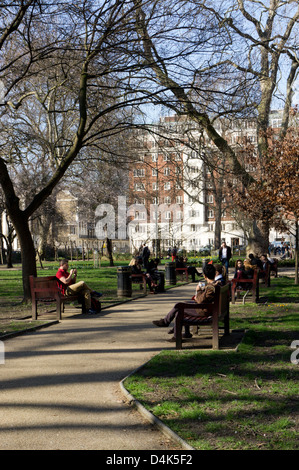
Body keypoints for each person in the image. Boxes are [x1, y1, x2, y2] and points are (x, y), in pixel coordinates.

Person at [152, 264, 216, 341]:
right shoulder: (214, 284)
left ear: (205, 276)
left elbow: (200, 301)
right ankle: (184, 332)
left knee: (179, 308)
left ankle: (172, 330)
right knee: (183, 304)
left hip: (204, 311)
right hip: (208, 308)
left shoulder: (211, 288)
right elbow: (204, 299)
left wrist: (198, 290)